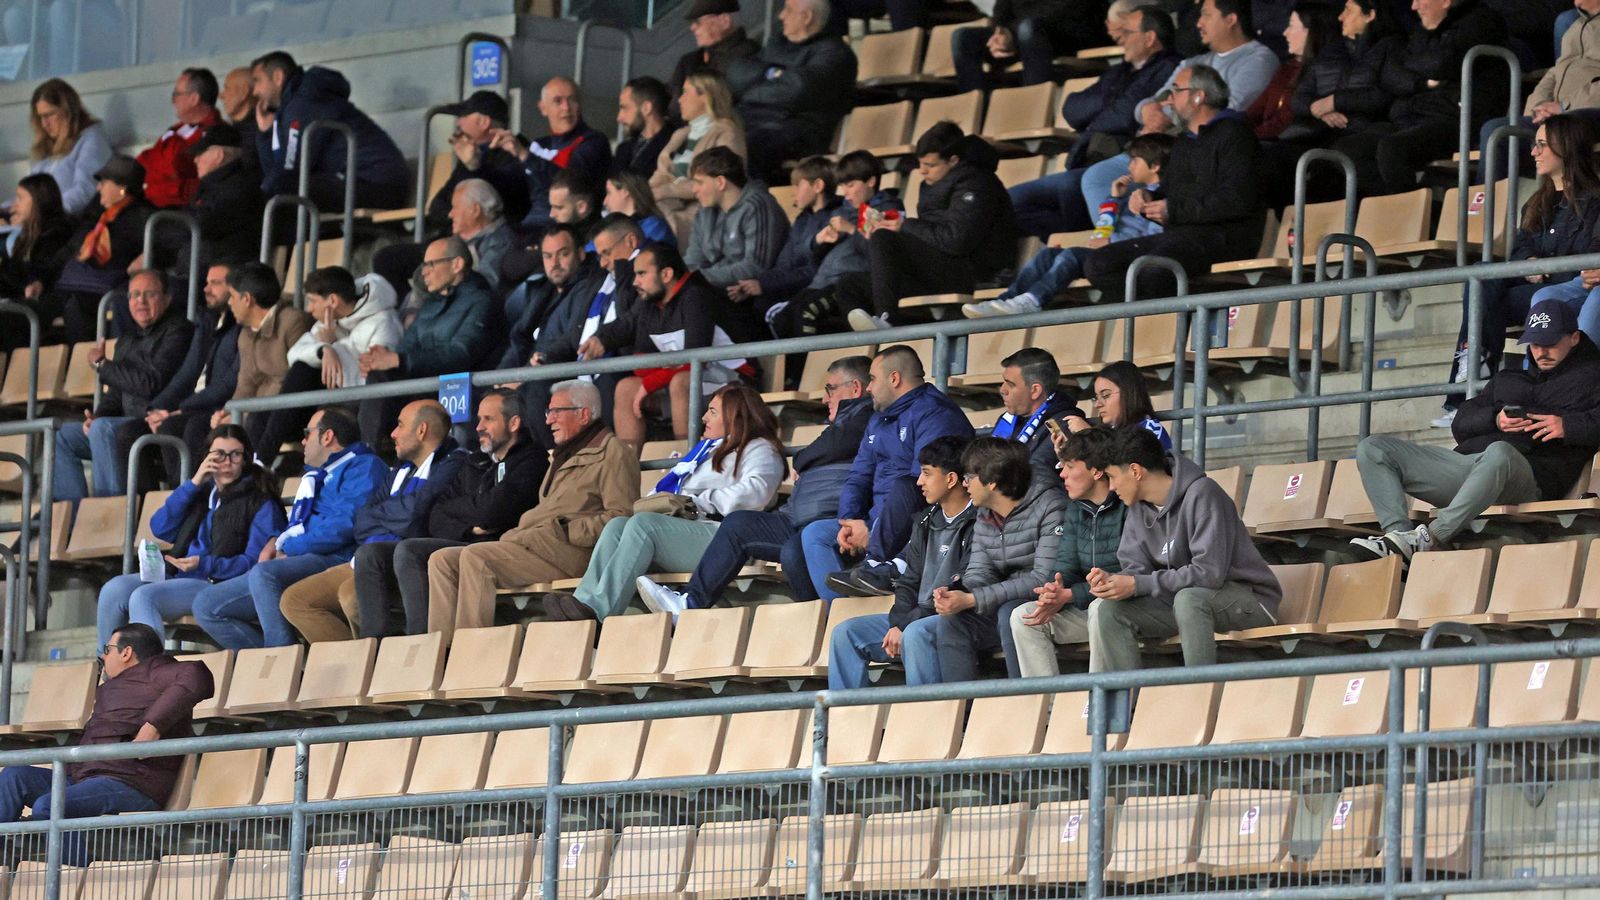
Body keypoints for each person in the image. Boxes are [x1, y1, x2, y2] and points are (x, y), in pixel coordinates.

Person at [1351, 299, 1600, 566]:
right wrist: (1496, 419)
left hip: (1528, 476)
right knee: (1373, 447)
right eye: (1535, 344)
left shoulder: (1593, 375)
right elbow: (1461, 424)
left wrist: (1568, 426)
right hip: (1471, 468)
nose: (1541, 351)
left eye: (1550, 343)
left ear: (1574, 338)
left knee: (1500, 453)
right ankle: (1398, 541)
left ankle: (1431, 538)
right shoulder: (1509, 378)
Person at [636, 356, 874, 613]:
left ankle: (827, 622)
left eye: (830, 389)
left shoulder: (868, 417)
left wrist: (802, 459)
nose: (824, 398)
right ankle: (688, 604)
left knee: (795, 552)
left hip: (830, 521)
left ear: (855, 389)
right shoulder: (841, 423)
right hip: (797, 517)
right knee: (739, 523)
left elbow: (835, 444)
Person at [545, 384, 785, 621]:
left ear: (736, 416)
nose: (703, 417)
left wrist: (697, 502)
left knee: (643, 526)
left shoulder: (759, 447)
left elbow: (758, 492)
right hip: (686, 529)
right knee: (617, 526)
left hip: (721, 537)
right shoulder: (705, 451)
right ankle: (584, 603)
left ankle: (598, 613)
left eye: (712, 411)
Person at [426, 380, 640, 643]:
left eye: (556, 412)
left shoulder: (613, 452)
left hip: (570, 554)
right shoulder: (562, 455)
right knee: (441, 560)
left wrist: (563, 529)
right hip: (535, 545)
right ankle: (442, 654)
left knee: (476, 558)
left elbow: (621, 518)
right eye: (548, 412)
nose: (549, 420)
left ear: (584, 413)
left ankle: (472, 657)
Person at [1434, 114, 1600, 427]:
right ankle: (1473, 370)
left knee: (1533, 293)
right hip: (1538, 289)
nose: (1533, 152)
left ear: (1565, 148)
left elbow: (1590, 261)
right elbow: (1520, 249)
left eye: (1541, 145)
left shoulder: (1595, 199)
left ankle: (1478, 381)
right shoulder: (1537, 202)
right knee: (1483, 274)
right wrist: (1528, 264)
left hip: (1574, 292)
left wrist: (1546, 269)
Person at [0, 625, 212, 866]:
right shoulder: (111, 687)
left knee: (50, 805)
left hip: (131, 782)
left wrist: (153, 726)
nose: (102, 656)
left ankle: (71, 882)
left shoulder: (156, 671)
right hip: (87, 778)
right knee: (14, 776)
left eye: (107, 649)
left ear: (126, 653)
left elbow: (197, 674)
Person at [191, 406, 386, 650]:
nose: (303, 440)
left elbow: (343, 526)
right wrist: (277, 541)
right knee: (206, 604)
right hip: (306, 556)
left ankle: (280, 665)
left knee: (266, 574)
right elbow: (297, 527)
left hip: (337, 557)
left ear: (327, 436)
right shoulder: (317, 475)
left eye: (308, 432)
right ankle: (275, 665)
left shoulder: (364, 466)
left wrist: (290, 546)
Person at [1072, 0, 1280, 224]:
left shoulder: (1258, 59)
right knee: (1097, 178)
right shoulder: (1191, 62)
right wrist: (1148, 112)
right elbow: (1155, 100)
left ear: (1231, 20)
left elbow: (1228, 106)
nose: (1198, 23)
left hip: (1200, 147)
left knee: (1100, 180)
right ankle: (1121, 239)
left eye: (1206, 15)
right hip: (1164, 144)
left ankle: (1128, 239)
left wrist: (1162, 118)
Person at [1089, 427, 1280, 670]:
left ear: (1136, 471)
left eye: (1112, 476)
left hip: (1248, 599)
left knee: (1189, 599)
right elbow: (1135, 569)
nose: (1112, 487)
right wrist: (1114, 582)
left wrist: (1139, 584)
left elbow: (1208, 573)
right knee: (1110, 612)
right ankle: (1125, 705)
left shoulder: (1203, 494)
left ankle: (1197, 697)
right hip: (1183, 602)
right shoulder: (1137, 508)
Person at [280, 401, 466, 643]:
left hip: (404, 561)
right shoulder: (400, 468)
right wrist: (393, 515)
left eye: (399, 425)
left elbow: (415, 516)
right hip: (366, 557)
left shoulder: (453, 462)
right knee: (294, 601)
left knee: (350, 596)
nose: (392, 434)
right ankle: (358, 665)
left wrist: (386, 515)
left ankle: (375, 659)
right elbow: (362, 520)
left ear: (421, 431)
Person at [1082, 64, 1267, 299]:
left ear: (1199, 96)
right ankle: (1168, 310)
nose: (1169, 100)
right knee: (1099, 264)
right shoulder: (1183, 142)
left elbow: (1236, 199)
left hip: (1224, 236)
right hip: (1180, 236)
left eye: (1177, 90)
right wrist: (1150, 199)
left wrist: (1172, 209)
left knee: (1154, 269)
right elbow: (1170, 192)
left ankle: (1187, 312)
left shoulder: (1234, 134)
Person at [810, 345, 976, 598]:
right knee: (812, 536)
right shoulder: (878, 418)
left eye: (873, 379)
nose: (868, 387)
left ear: (894, 378)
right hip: (873, 520)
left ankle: (873, 568)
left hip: (913, 520)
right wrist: (850, 519)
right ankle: (831, 617)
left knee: (906, 485)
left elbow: (921, 487)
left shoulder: (935, 414)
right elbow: (859, 475)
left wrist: (873, 531)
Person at [96, 425, 284, 646]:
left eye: (235, 455)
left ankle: (149, 673)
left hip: (216, 583)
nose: (227, 462)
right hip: (180, 576)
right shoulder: (201, 493)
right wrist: (194, 483)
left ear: (246, 459)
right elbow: (160, 526)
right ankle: (105, 667)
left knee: (144, 597)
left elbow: (254, 564)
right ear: (207, 458)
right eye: (219, 455)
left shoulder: (261, 502)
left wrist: (204, 564)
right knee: (113, 590)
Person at [1008, 3, 1183, 237]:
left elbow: (1125, 115)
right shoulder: (1120, 71)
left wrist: (1107, 106)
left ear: (1150, 38)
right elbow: (1071, 109)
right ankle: (1071, 237)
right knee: (1012, 199)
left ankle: (1094, 242)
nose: (1119, 38)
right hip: (1085, 160)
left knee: (1070, 188)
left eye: (1127, 32)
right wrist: (1113, 102)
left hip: (1120, 161)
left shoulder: (1168, 67)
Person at [387, 389, 548, 636]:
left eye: (488, 419)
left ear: (514, 423)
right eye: (479, 419)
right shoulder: (475, 461)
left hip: (501, 548)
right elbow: (437, 515)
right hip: (466, 541)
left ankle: (433, 644)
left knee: (411, 551)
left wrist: (470, 510)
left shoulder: (532, 460)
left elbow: (493, 512)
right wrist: (469, 526)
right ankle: (432, 648)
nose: (479, 427)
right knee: (380, 553)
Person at [825, 436, 977, 690]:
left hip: (955, 617)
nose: (919, 482)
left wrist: (906, 624)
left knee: (915, 634)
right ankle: (844, 723)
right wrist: (898, 623)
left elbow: (962, 586)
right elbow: (909, 581)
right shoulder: (924, 520)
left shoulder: (980, 519)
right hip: (916, 615)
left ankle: (923, 721)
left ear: (951, 479)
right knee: (846, 634)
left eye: (927, 474)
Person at [966, 133, 1171, 318]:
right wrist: (1114, 199)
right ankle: (1006, 300)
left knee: (1071, 255)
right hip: (1111, 252)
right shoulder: (1131, 196)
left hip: (1127, 257)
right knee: (1047, 255)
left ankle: (1033, 300)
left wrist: (1111, 241)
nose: (1129, 166)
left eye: (1135, 160)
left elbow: (1153, 240)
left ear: (1154, 167)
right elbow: (1103, 229)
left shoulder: (1160, 199)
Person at [838, 126, 1020, 331]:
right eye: (920, 164)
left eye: (930, 165)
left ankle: (886, 320)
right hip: (941, 268)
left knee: (884, 237)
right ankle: (869, 337)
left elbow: (957, 240)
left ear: (953, 160)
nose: (922, 171)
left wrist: (905, 225)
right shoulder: (933, 183)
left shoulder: (977, 184)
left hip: (973, 272)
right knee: (848, 284)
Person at [582, 242, 755, 450]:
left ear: (666, 274)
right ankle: (630, 467)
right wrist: (600, 339)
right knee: (626, 388)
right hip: (692, 382)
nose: (635, 282)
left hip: (736, 380)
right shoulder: (650, 303)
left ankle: (684, 463)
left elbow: (695, 361)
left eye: (642, 274)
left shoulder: (696, 296)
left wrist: (649, 384)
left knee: (682, 382)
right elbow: (630, 331)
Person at [927, 437, 1067, 683]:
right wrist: (957, 590)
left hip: (1049, 601)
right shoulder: (985, 512)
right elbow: (981, 570)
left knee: (1009, 613)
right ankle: (962, 711)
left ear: (992, 481)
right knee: (953, 621)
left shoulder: (1050, 505)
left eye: (969, 476)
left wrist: (972, 599)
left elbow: (1041, 578)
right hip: (1005, 599)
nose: (964, 483)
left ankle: (1022, 704)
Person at [1331, 0, 1507, 195]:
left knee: (1392, 150)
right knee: (1345, 151)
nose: (1414, 7)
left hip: (1454, 119)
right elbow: (1391, 75)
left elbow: (1443, 63)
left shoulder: (1481, 21)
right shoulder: (1421, 30)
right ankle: (1413, 205)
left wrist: (1416, 63)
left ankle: (1412, 215)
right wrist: (1424, 81)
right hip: (1410, 116)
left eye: (1420, 0)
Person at [54, 269, 193, 501]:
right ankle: (73, 517)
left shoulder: (179, 331)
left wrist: (102, 365)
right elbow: (116, 395)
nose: (141, 301)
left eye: (149, 294)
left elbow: (150, 384)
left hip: (154, 422)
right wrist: (98, 415)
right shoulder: (127, 339)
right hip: (121, 422)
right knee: (63, 435)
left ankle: (111, 515)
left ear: (167, 298)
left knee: (104, 429)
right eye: (134, 294)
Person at [357, 236, 498, 447]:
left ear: (457, 264)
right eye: (423, 265)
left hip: (461, 391)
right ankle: (373, 451)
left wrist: (399, 360)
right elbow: (407, 346)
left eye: (431, 264)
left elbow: (461, 353)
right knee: (374, 380)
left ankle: (373, 452)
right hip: (425, 384)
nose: (423, 272)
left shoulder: (481, 301)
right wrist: (382, 358)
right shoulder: (431, 304)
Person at [1008, 427, 1127, 678]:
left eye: (1070, 466)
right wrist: (1053, 591)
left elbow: (1130, 572)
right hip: (1086, 607)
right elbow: (1066, 564)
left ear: (1096, 470)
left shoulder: (1128, 504)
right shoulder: (1076, 507)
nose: (1061, 473)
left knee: (1100, 609)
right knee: (1023, 617)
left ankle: (1099, 705)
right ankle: (1046, 709)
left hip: (1127, 610)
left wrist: (1071, 594)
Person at [249, 268, 400, 463]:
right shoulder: (329, 320)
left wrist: (334, 345)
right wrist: (324, 349)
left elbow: (371, 372)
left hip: (356, 406)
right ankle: (255, 467)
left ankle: (262, 462)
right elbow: (294, 354)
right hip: (328, 401)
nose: (309, 309)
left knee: (304, 377)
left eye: (313, 301)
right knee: (260, 416)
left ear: (333, 301)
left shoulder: (383, 321)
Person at [117, 264, 240, 486]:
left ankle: (182, 497)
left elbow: (225, 385)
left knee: (178, 426)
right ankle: (145, 506)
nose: (206, 289)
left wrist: (178, 410)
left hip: (212, 409)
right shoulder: (207, 321)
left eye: (215, 283)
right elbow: (187, 373)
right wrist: (156, 409)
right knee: (129, 432)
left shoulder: (239, 328)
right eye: (206, 282)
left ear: (235, 288)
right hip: (190, 408)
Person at [249, 51, 409, 213]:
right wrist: (265, 133)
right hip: (368, 182)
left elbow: (290, 169)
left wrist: (270, 184)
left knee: (279, 190)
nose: (254, 92)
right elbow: (279, 172)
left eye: (257, 81)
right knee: (278, 188)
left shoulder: (304, 103)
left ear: (277, 77)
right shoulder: (295, 103)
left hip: (375, 185)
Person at [772, 151, 906, 338]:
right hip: (821, 282)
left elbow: (881, 255)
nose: (846, 192)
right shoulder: (842, 210)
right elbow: (807, 256)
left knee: (806, 313)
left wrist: (851, 229)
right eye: (842, 185)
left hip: (849, 282)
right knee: (782, 319)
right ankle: (792, 368)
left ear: (871, 182)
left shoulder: (887, 209)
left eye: (850, 185)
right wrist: (821, 241)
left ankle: (808, 367)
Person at [1277, 0, 1401, 190]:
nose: (1340, 16)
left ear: (1370, 15)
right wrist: (1318, 109)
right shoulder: (1330, 51)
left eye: (1348, 10)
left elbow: (1386, 94)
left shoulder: (1391, 47)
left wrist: (1335, 101)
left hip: (1361, 130)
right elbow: (1299, 98)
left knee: (1330, 161)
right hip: (1320, 131)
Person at [728, 0, 857, 182]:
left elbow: (800, 89)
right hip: (752, 121)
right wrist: (773, 73)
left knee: (739, 150)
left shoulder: (834, 53)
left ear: (807, 17)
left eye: (788, 10)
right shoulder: (777, 44)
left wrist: (759, 80)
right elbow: (736, 74)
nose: (781, 16)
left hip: (796, 132)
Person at [732, 155, 844, 323]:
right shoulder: (802, 219)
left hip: (812, 291)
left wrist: (764, 285)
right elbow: (785, 263)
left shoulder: (836, 218)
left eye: (798, 185)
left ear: (818, 186)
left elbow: (814, 271)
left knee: (759, 310)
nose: (794, 193)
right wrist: (757, 283)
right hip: (788, 288)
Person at [54, 155, 154, 341]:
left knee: (75, 307)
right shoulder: (96, 218)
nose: (98, 187)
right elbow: (66, 253)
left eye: (104, 182)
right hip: (75, 286)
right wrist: (38, 279)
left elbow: (171, 242)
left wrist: (149, 255)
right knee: (22, 311)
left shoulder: (143, 217)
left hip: (107, 288)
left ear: (122, 188)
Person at [492, 77, 611, 232]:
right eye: (558, 101)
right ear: (543, 108)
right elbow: (507, 185)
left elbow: (570, 183)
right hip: (531, 227)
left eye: (572, 100)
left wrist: (525, 156)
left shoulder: (594, 142)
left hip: (570, 231)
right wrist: (476, 164)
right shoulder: (538, 145)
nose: (566, 108)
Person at [147, 123, 263, 274]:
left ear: (218, 155)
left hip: (225, 276)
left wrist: (162, 234)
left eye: (200, 154)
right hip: (199, 272)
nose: (195, 160)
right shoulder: (209, 187)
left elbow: (199, 226)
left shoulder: (239, 187)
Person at [652, 70, 748, 242]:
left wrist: (668, 190)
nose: (680, 100)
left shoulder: (727, 132)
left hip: (704, 212)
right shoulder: (680, 135)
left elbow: (724, 180)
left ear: (706, 96)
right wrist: (645, 194)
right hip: (667, 206)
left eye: (685, 92)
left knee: (654, 230)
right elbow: (660, 175)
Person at [683, 147, 790, 293]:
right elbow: (693, 261)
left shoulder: (757, 207)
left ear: (720, 182)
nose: (694, 189)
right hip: (709, 288)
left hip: (748, 294)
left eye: (699, 182)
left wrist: (696, 278)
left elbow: (756, 267)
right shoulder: (704, 213)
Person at [225, 262, 315, 435]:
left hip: (289, 412)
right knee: (203, 426)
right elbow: (246, 384)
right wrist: (228, 413)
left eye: (232, 296)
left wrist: (244, 415)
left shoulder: (293, 322)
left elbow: (294, 379)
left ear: (247, 299)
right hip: (257, 412)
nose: (229, 303)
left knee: (252, 423)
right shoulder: (245, 334)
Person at [427, 90, 530, 233]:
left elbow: (506, 197)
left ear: (484, 122)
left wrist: (475, 167)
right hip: (459, 238)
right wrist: (460, 220)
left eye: (463, 115)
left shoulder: (518, 150)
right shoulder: (470, 157)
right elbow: (436, 207)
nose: (458, 122)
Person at [953, 0, 1110, 92]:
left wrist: (1012, 35)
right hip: (1024, 33)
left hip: (1070, 33)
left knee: (1028, 29)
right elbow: (1002, 8)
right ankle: (978, 110)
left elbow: (1070, 9)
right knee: (963, 37)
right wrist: (1000, 31)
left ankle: (1033, 100)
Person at [987, 348, 1085, 487]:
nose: (1002, 390)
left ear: (1035, 391)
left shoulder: (1063, 424)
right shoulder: (1008, 420)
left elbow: (1038, 474)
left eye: (1010, 384)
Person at [23, 78, 112, 216]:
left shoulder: (91, 139)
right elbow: (28, 194)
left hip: (69, 223)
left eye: (50, 115)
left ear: (68, 111)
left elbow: (86, 190)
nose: (44, 124)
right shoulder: (46, 146)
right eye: (40, 117)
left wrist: (42, 215)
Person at [137, 68, 221, 209]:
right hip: (147, 197)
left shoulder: (215, 134)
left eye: (176, 94)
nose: (173, 101)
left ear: (194, 99)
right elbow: (146, 159)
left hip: (172, 208)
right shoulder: (178, 129)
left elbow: (176, 166)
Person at [0, 173, 72, 334]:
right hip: (24, 301)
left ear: (38, 200)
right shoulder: (28, 235)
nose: (14, 206)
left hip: (44, 303)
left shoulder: (57, 233)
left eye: (20, 198)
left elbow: (38, 273)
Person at [1067, 359, 1175, 449]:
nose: (1097, 404)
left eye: (1106, 395)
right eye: (1096, 397)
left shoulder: (1149, 430)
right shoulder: (1107, 433)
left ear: (1128, 393)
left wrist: (1088, 436)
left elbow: (1126, 469)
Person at [670, 0, 760, 103]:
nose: (692, 28)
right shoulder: (691, 61)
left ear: (724, 21)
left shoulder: (745, 55)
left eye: (698, 21)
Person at [614, 77, 676, 179]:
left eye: (624, 108)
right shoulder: (624, 150)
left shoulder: (675, 145)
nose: (619, 117)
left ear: (646, 108)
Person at [606, 172, 676, 247]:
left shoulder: (654, 226)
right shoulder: (610, 229)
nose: (605, 201)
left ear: (625, 191)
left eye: (609, 193)